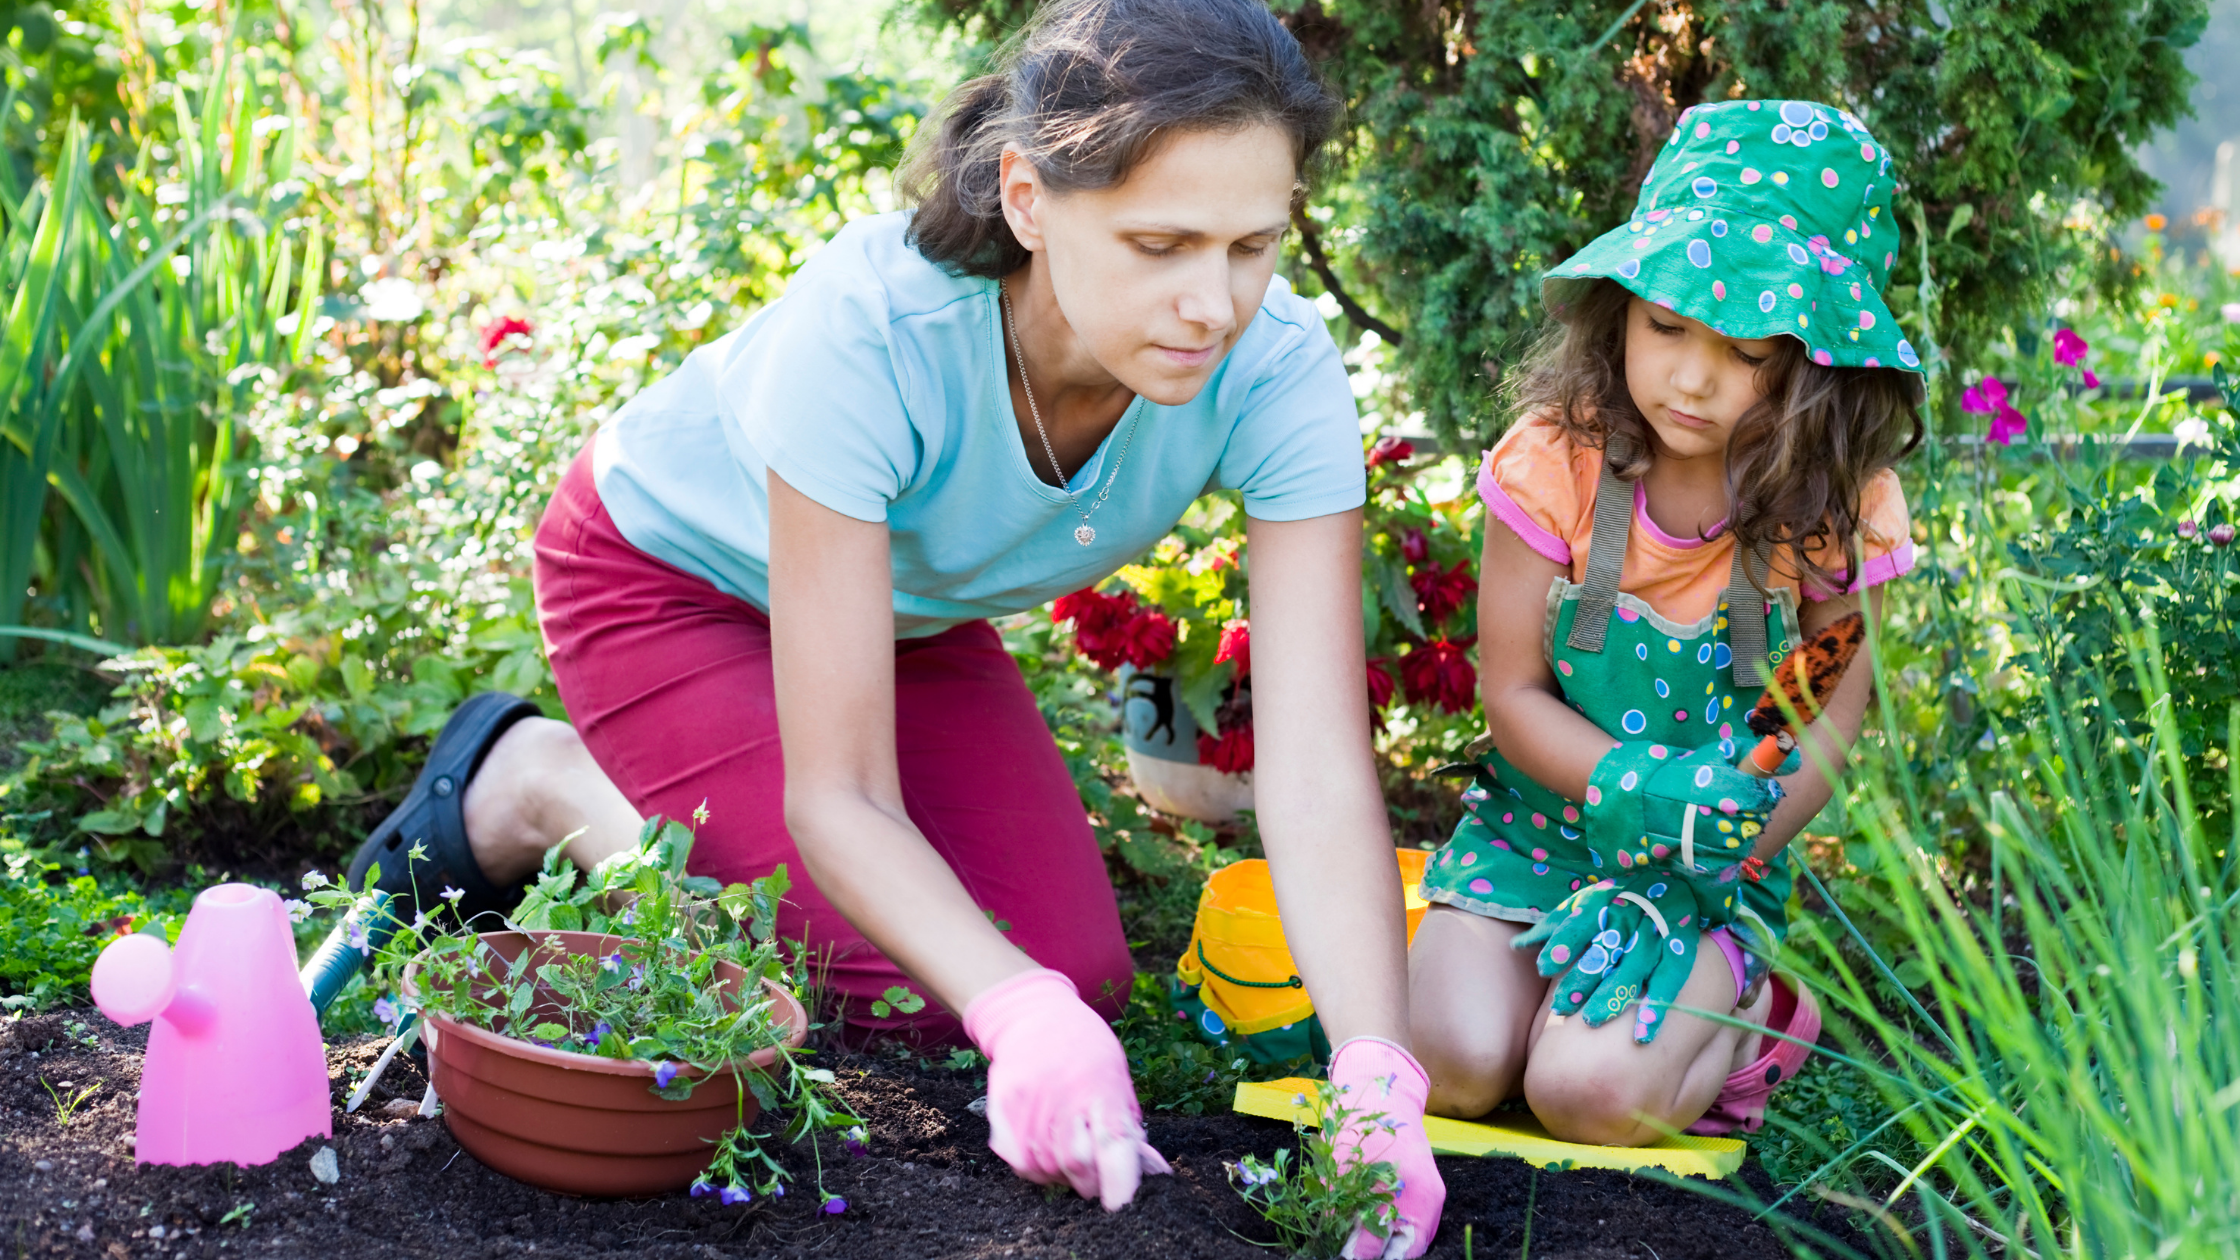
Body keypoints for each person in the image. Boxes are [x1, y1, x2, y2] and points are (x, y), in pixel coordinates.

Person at [345, 0, 1444, 1251]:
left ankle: (640, 814)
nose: (1215, 304)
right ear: (1027, 199)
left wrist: (1373, 1074)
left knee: (1072, 975)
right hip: (665, 579)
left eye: (1252, 246)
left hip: (902, 622)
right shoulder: (875, 329)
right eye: (1160, 243)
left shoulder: (1278, 369)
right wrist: (1006, 1014)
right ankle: (543, 786)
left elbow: (1310, 767)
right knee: (896, 989)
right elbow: (840, 796)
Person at [1409, 99, 1924, 1144]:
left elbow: (1818, 721)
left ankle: (1751, 1020)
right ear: (1620, 307)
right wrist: (1633, 786)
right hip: (1533, 836)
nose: (1688, 379)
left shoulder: (1836, 509)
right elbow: (1507, 694)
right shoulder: (1555, 458)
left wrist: (1705, 861)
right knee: (1451, 1065)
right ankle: (1556, 1013)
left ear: (1815, 355)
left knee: (1584, 1096)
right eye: (1665, 325)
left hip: (1706, 872)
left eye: (1744, 350)